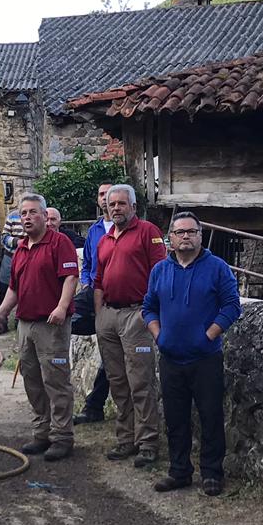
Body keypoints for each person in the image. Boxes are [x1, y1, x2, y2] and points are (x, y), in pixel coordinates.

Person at [142, 211, 242, 495]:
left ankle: (212, 473)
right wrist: (158, 334)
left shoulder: (218, 267)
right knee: (175, 418)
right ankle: (179, 471)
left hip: (205, 357)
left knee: (210, 416)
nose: (185, 236)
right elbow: (148, 306)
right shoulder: (160, 270)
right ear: (170, 238)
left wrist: (208, 335)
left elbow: (231, 306)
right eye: (180, 232)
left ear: (200, 235)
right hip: (171, 357)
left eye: (191, 232)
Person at [0, 192, 79, 461]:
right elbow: (15, 288)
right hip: (25, 324)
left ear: (43, 215)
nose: (27, 218)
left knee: (56, 380)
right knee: (33, 381)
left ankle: (62, 436)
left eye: (32, 213)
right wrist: (1, 313)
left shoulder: (59, 242)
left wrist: (62, 307)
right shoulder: (21, 248)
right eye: (23, 214)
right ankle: (42, 432)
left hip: (51, 325)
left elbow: (71, 277)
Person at [94, 184, 166, 469]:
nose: (116, 208)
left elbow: (159, 273)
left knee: (140, 381)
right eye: (112, 204)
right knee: (117, 382)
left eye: (122, 204)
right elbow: (98, 280)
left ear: (133, 207)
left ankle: (148, 442)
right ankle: (126, 438)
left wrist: (150, 313)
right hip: (109, 316)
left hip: (137, 314)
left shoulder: (148, 232)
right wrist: (100, 316)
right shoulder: (105, 239)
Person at [74, 182, 114, 425]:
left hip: (117, 299)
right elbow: (87, 264)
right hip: (92, 293)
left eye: (109, 194)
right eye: (101, 194)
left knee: (110, 356)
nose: (105, 199)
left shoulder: (133, 229)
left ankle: (94, 407)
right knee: (60, 320)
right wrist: (87, 284)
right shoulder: (94, 230)